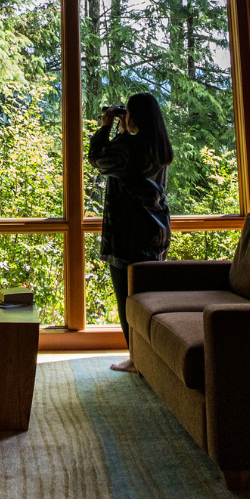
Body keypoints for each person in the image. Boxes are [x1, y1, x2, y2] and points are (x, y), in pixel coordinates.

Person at [88, 92, 172, 373]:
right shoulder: (159, 148)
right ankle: (147, 357)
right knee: (147, 302)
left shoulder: (128, 149)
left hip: (128, 235)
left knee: (128, 302)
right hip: (156, 232)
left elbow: (98, 159)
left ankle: (137, 359)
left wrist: (107, 128)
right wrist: (125, 132)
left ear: (134, 117)